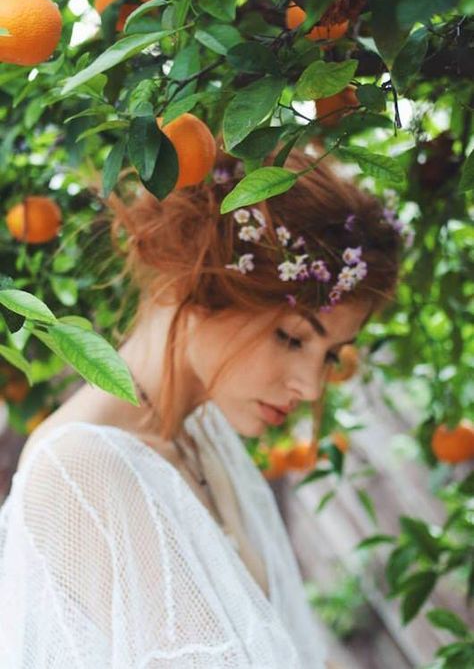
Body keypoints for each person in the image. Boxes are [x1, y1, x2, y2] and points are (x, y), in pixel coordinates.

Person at [0, 140, 405, 668]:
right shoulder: (82, 469)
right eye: (291, 338)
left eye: (330, 355)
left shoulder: (201, 433)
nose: (311, 388)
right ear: (194, 281)